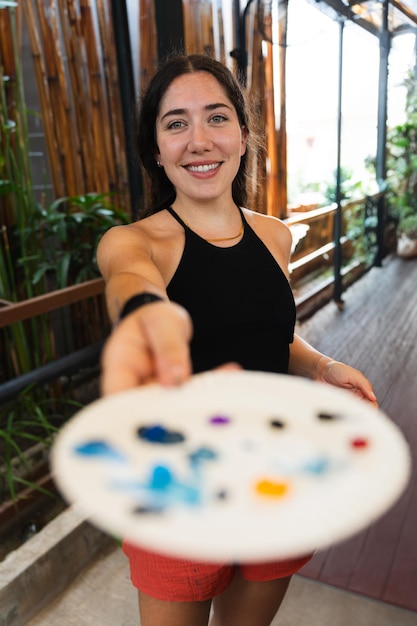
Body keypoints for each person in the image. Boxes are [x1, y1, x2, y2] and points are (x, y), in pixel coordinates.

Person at [97, 54, 377, 626]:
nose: (199, 140)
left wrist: (320, 366)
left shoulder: (274, 235)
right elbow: (130, 284)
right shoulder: (133, 242)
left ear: (244, 137)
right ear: (155, 149)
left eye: (216, 118)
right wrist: (150, 318)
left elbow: (271, 333)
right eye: (176, 123)